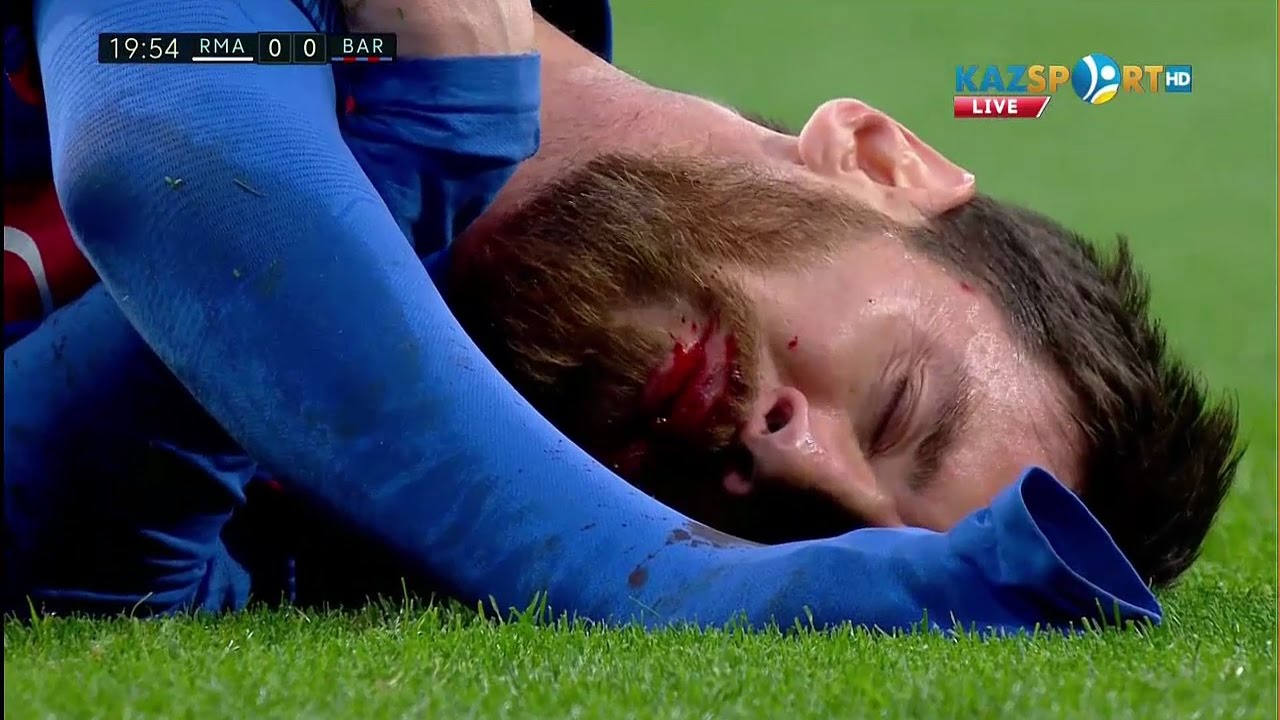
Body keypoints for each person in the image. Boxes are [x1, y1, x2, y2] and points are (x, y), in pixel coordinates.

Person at [1, 0, 1175, 631]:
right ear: (878, 163)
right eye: (895, 408)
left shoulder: (349, 549)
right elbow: (166, 142)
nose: (789, 458)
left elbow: (69, 572)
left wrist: (412, 171)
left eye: (808, 538)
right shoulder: (372, 19)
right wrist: (678, 587)